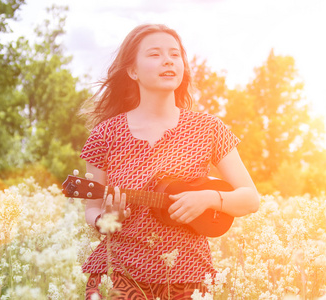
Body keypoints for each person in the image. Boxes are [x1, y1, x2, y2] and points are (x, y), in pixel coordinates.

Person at [79, 24, 260, 299]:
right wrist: (106, 219)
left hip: (190, 273)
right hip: (120, 271)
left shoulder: (208, 128)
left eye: (175, 55)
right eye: (154, 54)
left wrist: (209, 199)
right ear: (132, 71)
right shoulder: (106, 133)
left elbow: (250, 199)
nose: (168, 61)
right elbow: (90, 207)